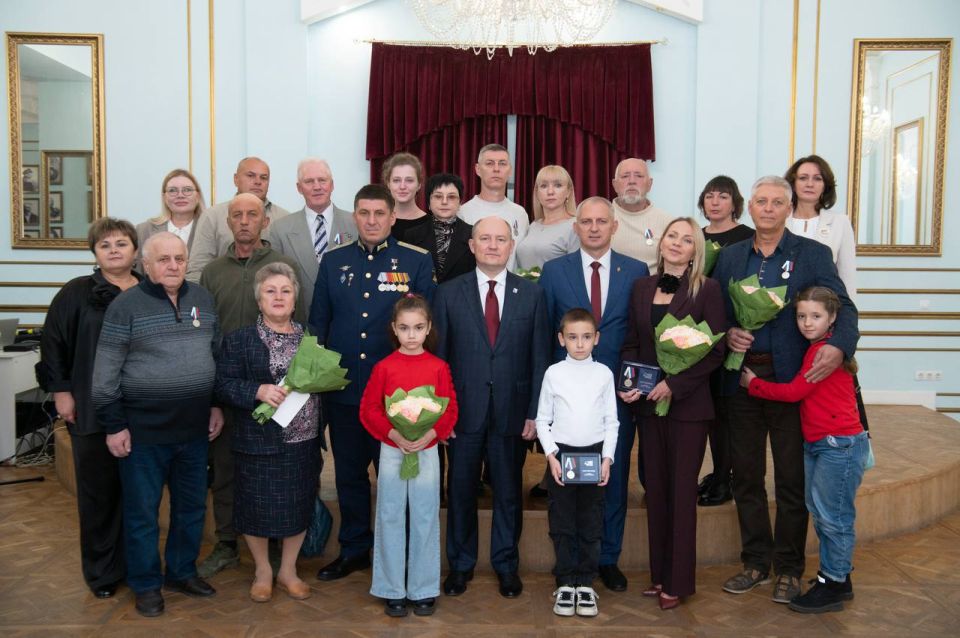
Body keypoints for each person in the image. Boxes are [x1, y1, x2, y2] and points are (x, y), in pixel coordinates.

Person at [712, 176, 858, 605]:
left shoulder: (812, 254)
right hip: (742, 382)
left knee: (792, 481)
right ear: (750, 208)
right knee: (746, 477)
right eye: (762, 201)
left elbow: (845, 307)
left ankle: (789, 569)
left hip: (792, 383)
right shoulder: (731, 256)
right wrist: (728, 333)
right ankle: (756, 563)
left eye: (778, 202)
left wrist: (838, 346)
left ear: (789, 209)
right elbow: (715, 311)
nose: (769, 208)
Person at [91, 232, 224, 618]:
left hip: (194, 430)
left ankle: (181, 572)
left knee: (191, 509)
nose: (173, 265)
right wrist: (114, 425)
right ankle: (146, 584)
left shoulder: (203, 299)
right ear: (145, 265)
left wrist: (215, 405)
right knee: (142, 515)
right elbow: (105, 373)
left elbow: (214, 356)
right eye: (163, 259)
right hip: (143, 433)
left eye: (179, 258)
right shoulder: (125, 306)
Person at [308, 184, 436, 582]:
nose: (372, 220)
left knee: (396, 479)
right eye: (364, 213)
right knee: (349, 476)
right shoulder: (334, 261)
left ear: (393, 217)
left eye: (380, 213)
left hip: (398, 397)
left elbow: (429, 330)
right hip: (345, 391)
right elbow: (318, 325)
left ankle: (398, 553)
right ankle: (354, 549)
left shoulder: (415, 261)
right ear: (355, 217)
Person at [433, 216, 551, 599]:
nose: (493, 245)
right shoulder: (448, 294)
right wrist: (443, 413)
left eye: (501, 239)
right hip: (462, 413)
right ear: (472, 245)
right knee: (461, 491)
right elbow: (439, 361)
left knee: (508, 494)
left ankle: (506, 565)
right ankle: (460, 565)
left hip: (512, 413)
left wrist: (535, 411)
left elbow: (540, 358)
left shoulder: (532, 294)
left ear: (511, 246)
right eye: (485, 238)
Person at [538, 196, 649, 593]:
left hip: (616, 393)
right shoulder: (554, 271)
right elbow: (544, 334)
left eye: (602, 221)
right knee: (567, 490)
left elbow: (640, 333)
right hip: (568, 398)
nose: (595, 228)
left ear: (614, 226)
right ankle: (569, 561)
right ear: (576, 227)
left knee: (611, 478)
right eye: (587, 221)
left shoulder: (636, 271)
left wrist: (637, 382)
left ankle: (607, 558)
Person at [619, 217, 727, 609]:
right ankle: (659, 575)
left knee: (681, 494)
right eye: (672, 236)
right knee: (657, 491)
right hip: (649, 405)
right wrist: (631, 382)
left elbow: (715, 350)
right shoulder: (641, 287)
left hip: (688, 408)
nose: (677, 243)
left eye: (686, 239)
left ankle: (678, 582)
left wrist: (675, 385)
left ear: (696, 250)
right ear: (661, 242)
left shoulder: (708, 289)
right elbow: (632, 342)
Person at [196, 193, 304, 579]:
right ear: (228, 221)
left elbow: (302, 329)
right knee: (227, 468)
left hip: (283, 392)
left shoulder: (283, 266)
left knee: (281, 470)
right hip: (230, 385)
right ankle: (227, 542)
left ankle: (275, 545)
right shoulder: (213, 272)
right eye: (237, 215)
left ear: (264, 221)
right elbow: (206, 332)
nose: (244, 221)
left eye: (252, 214)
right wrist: (214, 397)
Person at [740, 286, 867, 614]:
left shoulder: (822, 353)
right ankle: (838, 578)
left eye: (816, 316)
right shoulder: (817, 349)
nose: (807, 323)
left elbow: (794, 393)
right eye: (801, 316)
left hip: (837, 444)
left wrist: (753, 384)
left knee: (833, 518)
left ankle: (833, 583)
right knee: (823, 513)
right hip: (822, 443)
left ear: (833, 317)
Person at [35, 218, 141, 599]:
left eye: (121, 243)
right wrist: (61, 392)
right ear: (94, 252)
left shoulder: (152, 290)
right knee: (99, 497)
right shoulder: (76, 292)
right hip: (92, 408)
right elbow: (53, 344)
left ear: (135, 250)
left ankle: (138, 567)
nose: (114, 250)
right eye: (105, 245)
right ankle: (103, 574)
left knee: (138, 497)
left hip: (142, 409)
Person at [215, 262, 321, 603]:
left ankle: (288, 570)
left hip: (303, 440)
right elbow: (221, 385)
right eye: (270, 291)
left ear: (295, 298)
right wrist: (257, 391)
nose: (278, 297)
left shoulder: (312, 338)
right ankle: (262, 570)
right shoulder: (239, 340)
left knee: (299, 505)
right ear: (258, 300)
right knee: (255, 507)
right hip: (257, 441)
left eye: (285, 291)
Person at [359, 295, 458, 617]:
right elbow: (370, 409)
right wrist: (394, 434)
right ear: (394, 328)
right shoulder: (384, 367)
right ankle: (391, 588)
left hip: (427, 450)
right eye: (404, 328)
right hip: (393, 448)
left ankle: (423, 588)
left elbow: (449, 408)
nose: (411, 335)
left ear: (428, 328)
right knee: (390, 514)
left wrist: (432, 434)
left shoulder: (438, 367)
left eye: (418, 328)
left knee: (425, 515)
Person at [535, 308, 618, 618]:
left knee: (591, 522)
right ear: (561, 339)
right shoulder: (554, 373)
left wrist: (607, 458)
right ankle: (565, 582)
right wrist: (551, 456)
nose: (580, 344)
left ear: (596, 338)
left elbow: (612, 421)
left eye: (586, 337)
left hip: (594, 455)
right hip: (562, 457)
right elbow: (542, 420)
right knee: (562, 522)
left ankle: (585, 582)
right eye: (572, 337)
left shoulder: (604, 374)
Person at [696, 175, 754, 507]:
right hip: (699, 333)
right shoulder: (695, 236)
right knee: (707, 414)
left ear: (735, 203)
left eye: (722, 196)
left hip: (733, 332)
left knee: (726, 414)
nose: (715, 202)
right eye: (709, 196)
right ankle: (717, 474)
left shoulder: (747, 236)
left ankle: (725, 477)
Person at [185, 157, 291, 282]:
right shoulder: (213, 216)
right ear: (236, 179)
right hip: (223, 291)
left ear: (265, 221)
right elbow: (197, 269)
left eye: (263, 178)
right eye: (251, 176)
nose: (258, 182)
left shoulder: (284, 219)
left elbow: (290, 270)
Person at [270, 158, 358, 296]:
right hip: (301, 308)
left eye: (322, 180)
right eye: (309, 181)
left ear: (332, 185)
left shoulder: (356, 223)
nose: (317, 187)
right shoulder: (280, 229)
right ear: (299, 188)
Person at [784, 155, 857, 300]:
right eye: (803, 178)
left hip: (824, 305)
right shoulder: (780, 220)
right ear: (793, 184)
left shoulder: (840, 222)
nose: (810, 184)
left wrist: (848, 309)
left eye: (817, 179)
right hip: (783, 302)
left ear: (825, 185)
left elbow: (847, 275)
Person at [458, 143, 529, 269]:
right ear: (478, 169)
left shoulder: (520, 213)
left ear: (510, 170)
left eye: (502, 163)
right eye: (490, 163)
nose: (496, 169)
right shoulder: (463, 213)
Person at [405, 173, 476, 283]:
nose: (444, 202)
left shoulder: (473, 234)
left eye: (451, 197)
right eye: (438, 196)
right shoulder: (412, 235)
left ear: (460, 203)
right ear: (428, 202)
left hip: (461, 293)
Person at [609, 158, 674, 273]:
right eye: (625, 176)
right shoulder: (599, 219)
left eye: (638, 176)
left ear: (649, 184)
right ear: (615, 185)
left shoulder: (668, 222)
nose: (632, 181)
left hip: (653, 283)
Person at [515, 165, 580, 270]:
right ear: (537, 192)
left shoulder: (575, 226)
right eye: (544, 186)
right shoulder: (533, 226)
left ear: (568, 191)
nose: (550, 192)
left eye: (558, 185)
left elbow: (576, 271)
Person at [136, 169, 205, 267]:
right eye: (172, 190)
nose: (180, 195)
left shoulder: (210, 229)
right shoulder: (144, 230)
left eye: (187, 190)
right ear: (164, 197)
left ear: (197, 196)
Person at [382, 152, 430, 240]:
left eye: (409, 180)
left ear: (419, 185)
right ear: (388, 184)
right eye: (396, 180)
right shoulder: (378, 222)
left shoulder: (432, 226)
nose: (402, 186)